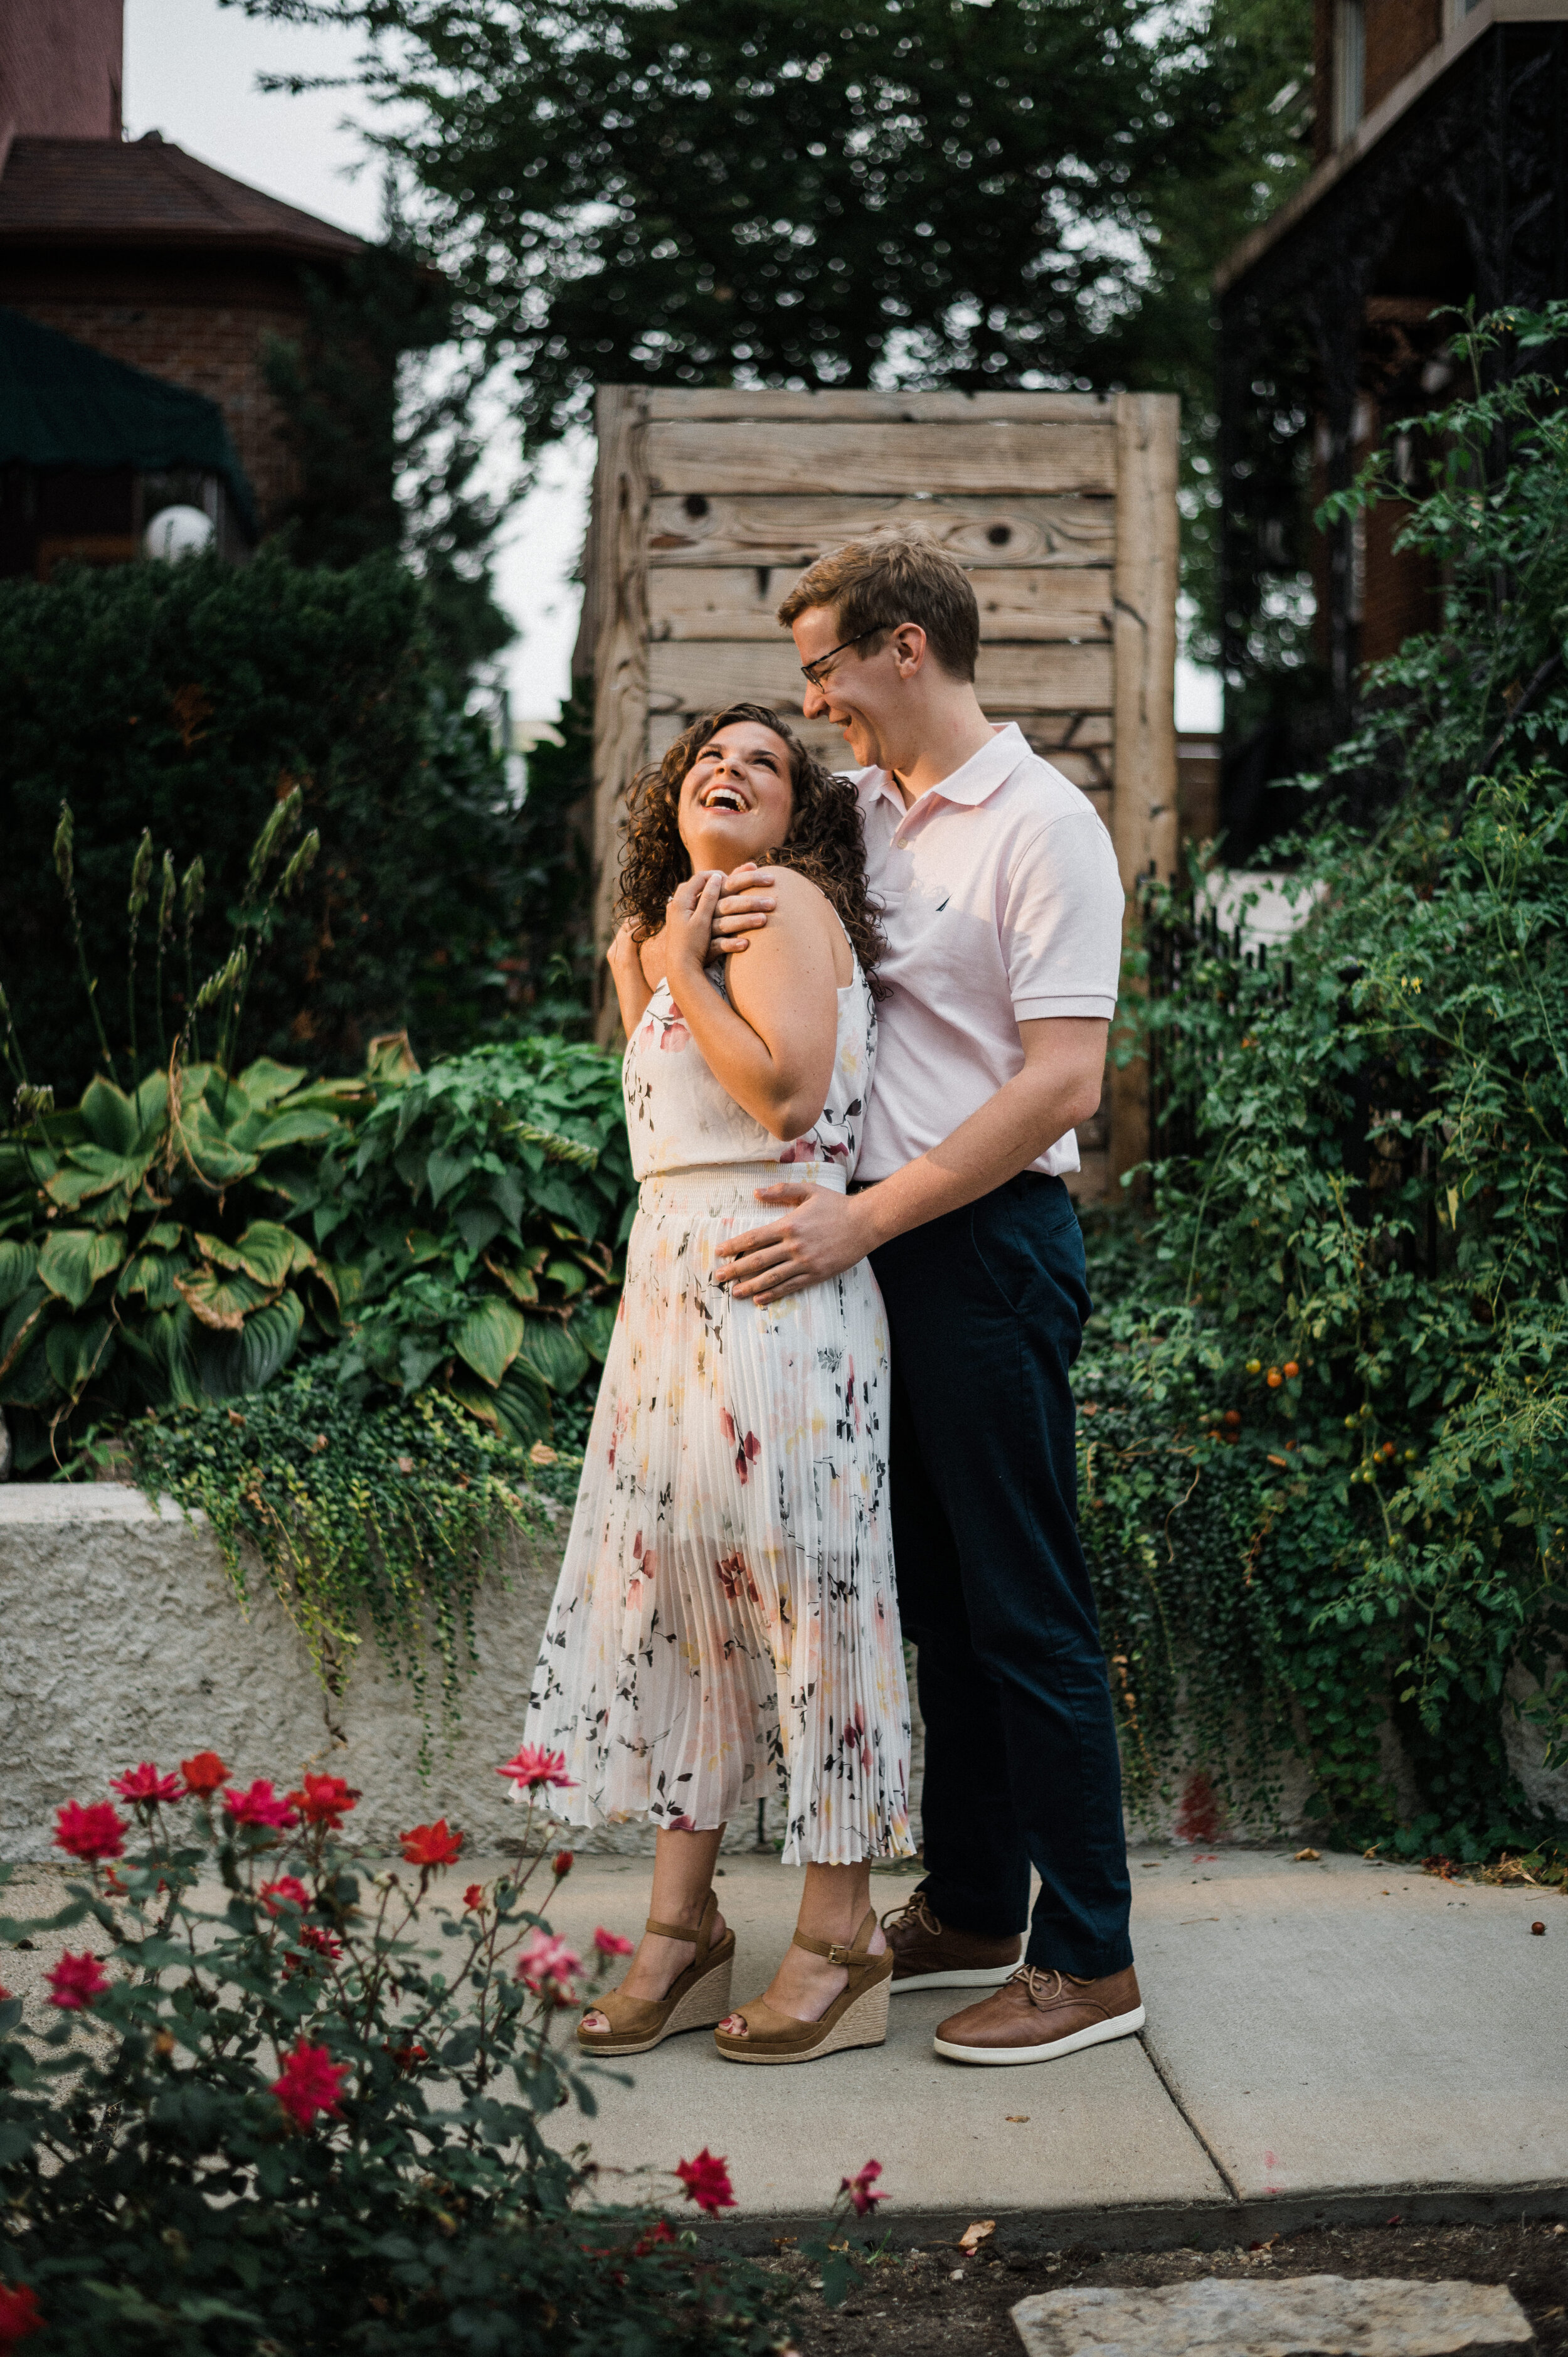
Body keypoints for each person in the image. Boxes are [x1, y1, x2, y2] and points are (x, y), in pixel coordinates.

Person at [708, 538, 1142, 2068]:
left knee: (1026, 1609)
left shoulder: (1042, 826)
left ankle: (1090, 1958)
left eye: (824, 665)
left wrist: (867, 1222)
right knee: (939, 1614)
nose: (811, 697)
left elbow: (1062, 1081)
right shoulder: (870, 819)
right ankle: (971, 1904)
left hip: (987, 1252)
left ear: (904, 648)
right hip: (876, 1258)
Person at [516, 701, 914, 2068]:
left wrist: (679, 974)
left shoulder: (785, 906)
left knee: (812, 1609)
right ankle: (681, 1932)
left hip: (779, 1293)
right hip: (668, 1309)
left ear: (797, 808)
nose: (730, 771)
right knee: (678, 1609)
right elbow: (663, 1130)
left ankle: (839, 1936)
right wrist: (659, 970)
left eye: (763, 759)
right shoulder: (664, 938)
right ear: (668, 805)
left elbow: (787, 1101)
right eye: (706, 759)